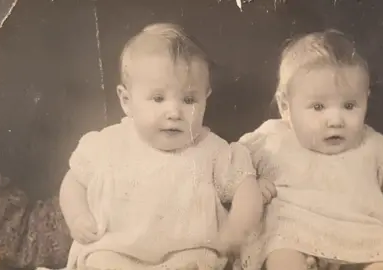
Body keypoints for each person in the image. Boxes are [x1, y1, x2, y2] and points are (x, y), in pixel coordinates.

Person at [54, 23, 263, 270]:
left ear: (205, 98)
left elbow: (245, 185)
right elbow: (74, 181)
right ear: (126, 101)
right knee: (100, 260)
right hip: (116, 251)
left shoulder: (211, 150)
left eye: (188, 100)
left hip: (186, 255)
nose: (174, 112)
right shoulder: (106, 144)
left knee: (199, 262)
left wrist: (236, 227)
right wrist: (78, 216)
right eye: (158, 98)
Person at [238, 30, 383, 270]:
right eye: (318, 107)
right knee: (281, 256)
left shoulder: (376, 146)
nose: (335, 120)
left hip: (365, 243)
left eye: (349, 105)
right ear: (286, 106)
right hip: (294, 237)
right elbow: (232, 169)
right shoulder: (271, 138)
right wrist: (251, 182)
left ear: (366, 99)